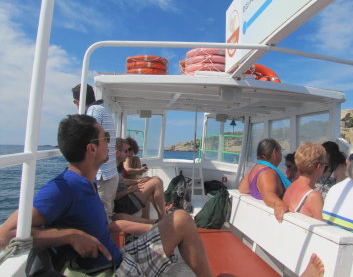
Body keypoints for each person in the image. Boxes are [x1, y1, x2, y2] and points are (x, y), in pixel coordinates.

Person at [0, 114, 213, 276]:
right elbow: (6, 234)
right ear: (92, 149)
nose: (111, 144)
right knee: (182, 220)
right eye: (106, 138)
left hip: (120, 258)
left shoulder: (85, 181)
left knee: (178, 218)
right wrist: (70, 236)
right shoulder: (63, 188)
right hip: (114, 271)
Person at [72, 84, 118, 222]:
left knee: (103, 219)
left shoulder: (93, 111)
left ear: (77, 102)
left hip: (103, 176)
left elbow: (90, 137)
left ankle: (104, 243)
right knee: (105, 215)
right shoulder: (101, 109)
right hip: (109, 174)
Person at [114, 138, 166, 222]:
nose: (128, 153)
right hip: (123, 203)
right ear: (118, 153)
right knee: (157, 181)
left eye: (129, 150)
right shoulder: (111, 170)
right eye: (126, 151)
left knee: (153, 180)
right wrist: (129, 191)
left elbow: (122, 181)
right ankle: (164, 220)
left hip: (127, 195)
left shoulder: (117, 166)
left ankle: (149, 218)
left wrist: (138, 181)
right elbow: (112, 196)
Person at [238, 138, 291, 222]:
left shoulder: (254, 169)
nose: (281, 154)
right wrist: (278, 203)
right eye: (280, 150)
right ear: (274, 153)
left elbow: (242, 189)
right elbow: (268, 194)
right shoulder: (267, 172)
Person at [283, 143, 326, 220]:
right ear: (318, 166)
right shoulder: (313, 197)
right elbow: (322, 229)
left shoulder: (291, 187)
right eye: (324, 165)